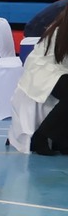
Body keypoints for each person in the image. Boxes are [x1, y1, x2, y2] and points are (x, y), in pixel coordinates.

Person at [21, 10, 68, 154]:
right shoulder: (60, 31)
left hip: (58, 70)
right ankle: (41, 136)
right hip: (44, 72)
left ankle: (60, 140)